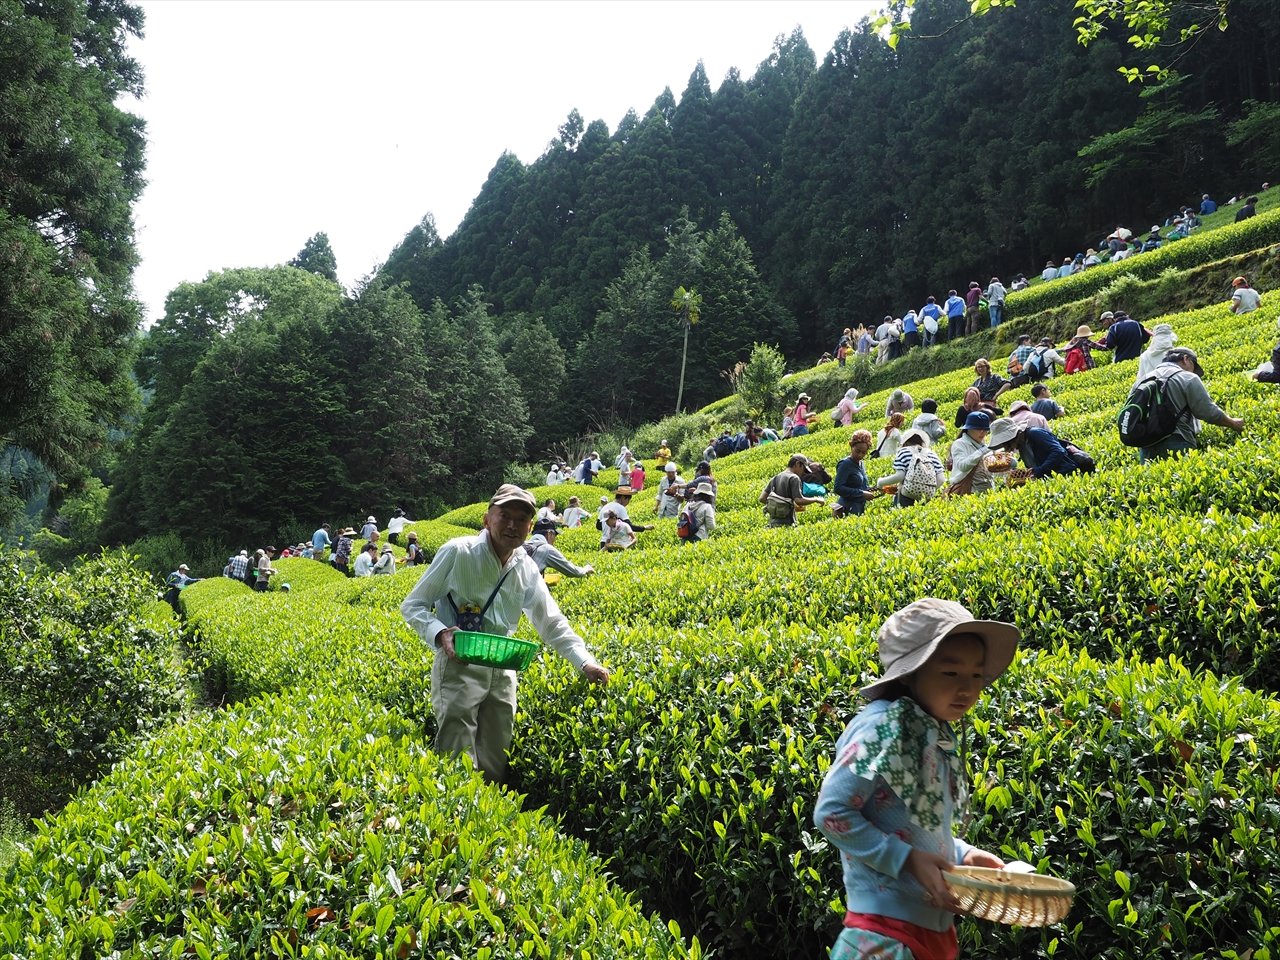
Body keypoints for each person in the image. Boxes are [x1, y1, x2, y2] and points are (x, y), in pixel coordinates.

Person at [814, 599, 1018, 960]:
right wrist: (907, 861)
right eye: (951, 673)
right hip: (883, 935)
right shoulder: (883, 726)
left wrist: (962, 855)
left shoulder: (928, 730)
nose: (967, 689)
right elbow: (831, 813)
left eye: (976, 675)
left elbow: (912, 826)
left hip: (930, 929)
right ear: (909, 673)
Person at [400, 484, 609, 784]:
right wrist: (441, 633)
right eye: (505, 515)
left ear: (530, 527)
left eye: (521, 519)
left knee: (496, 760)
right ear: (487, 520)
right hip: (459, 662)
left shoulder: (525, 566)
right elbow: (413, 605)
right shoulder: (458, 552)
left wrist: (585, 662)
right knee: (457, 759)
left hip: (503, 667)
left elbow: (550, 621)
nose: (513, 524)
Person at [1136, 347, 1245, 462]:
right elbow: (1207, 411)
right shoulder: (1186, 377)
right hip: (1177, 441)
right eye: (1194, 366)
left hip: (1146, 445)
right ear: (1186, 358)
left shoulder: (1143, 380)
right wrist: (1233, 423)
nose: (1193, 371)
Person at [987, 418, 1078, 480]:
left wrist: (1040, 470)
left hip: (1064, 474)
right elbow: (1035, 464)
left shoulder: (1035, 433)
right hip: (1049, 479)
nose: (1004, 445)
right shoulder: (1021, 444)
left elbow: (1058, 451)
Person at [876, 428, 945, 507]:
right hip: (926, 497)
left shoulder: (903, 451)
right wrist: (926, 489)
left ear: (905, 442)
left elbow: (900, 476)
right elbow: (941, 479)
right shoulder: (932, 454)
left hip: (906, 496)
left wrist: (880, 482)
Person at [760, 453, 825, 528]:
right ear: (797, 464)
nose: (803, 473)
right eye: (803, 469)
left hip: (773, 522)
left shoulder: (776, 477)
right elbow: (799, 500)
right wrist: (816, 499)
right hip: (787, 522)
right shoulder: (794, 478)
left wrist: (778, 506)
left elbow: (762, 498)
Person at [832, 429, 884, 519]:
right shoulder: (845, 464)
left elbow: (860, 486)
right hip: (847, 508)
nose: (860, 455)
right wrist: (861, 493)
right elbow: (838, 487)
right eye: (857, 451)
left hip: (858, 508)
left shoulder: (861, 464)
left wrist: (872, 489)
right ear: (851, 446)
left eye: (864, 453)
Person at [525, 520, 595, 576]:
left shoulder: (524, 544)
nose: (554, 539)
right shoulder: (547, 549)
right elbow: (572, 571)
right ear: (549, 534)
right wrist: (585, 570)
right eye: (555, 536)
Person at [948, 412, 994, 495]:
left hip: (987, 492)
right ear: (969, 429)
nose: (982, 432)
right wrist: (980, 452)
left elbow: (992, 470)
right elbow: (962, 466)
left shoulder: (984, 446)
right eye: (978, 429)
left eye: (985, 430)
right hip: (968, 492)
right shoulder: (960, 444)